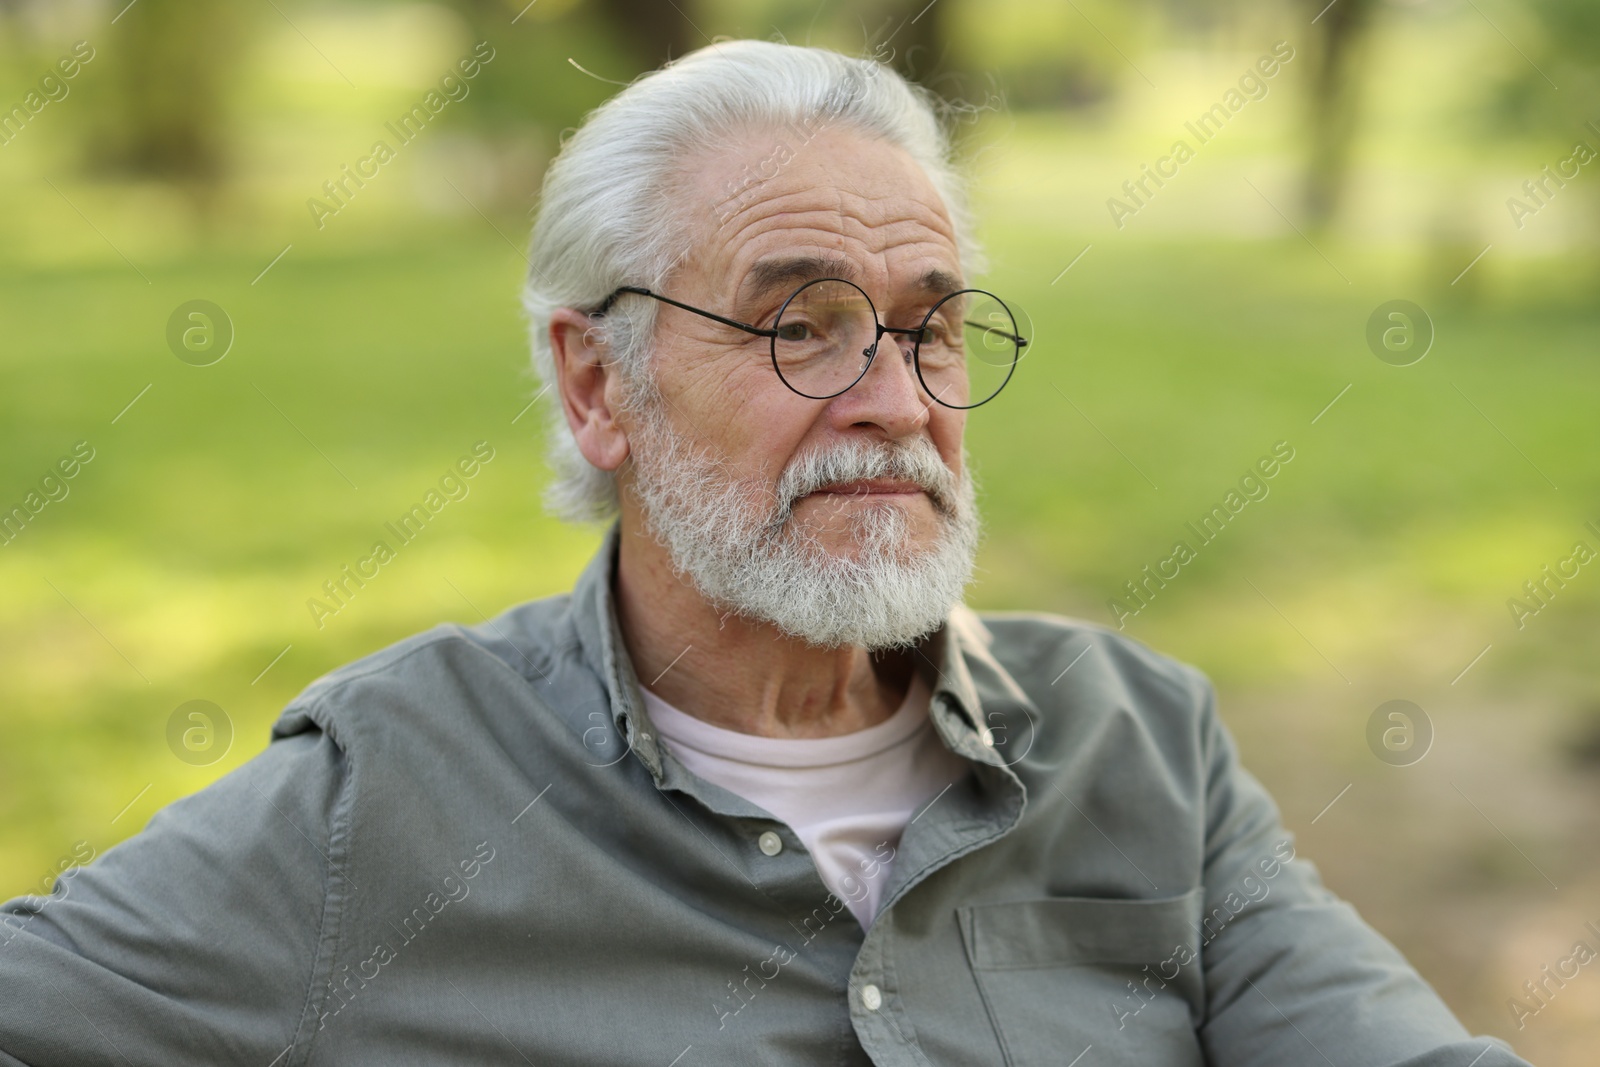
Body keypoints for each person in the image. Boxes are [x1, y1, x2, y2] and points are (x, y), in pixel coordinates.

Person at [0, 39, 1529, 1067]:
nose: (896, 403)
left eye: (931, 327)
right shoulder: (390, 794)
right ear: (601, 385)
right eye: (802, 327)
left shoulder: (1144, 749)